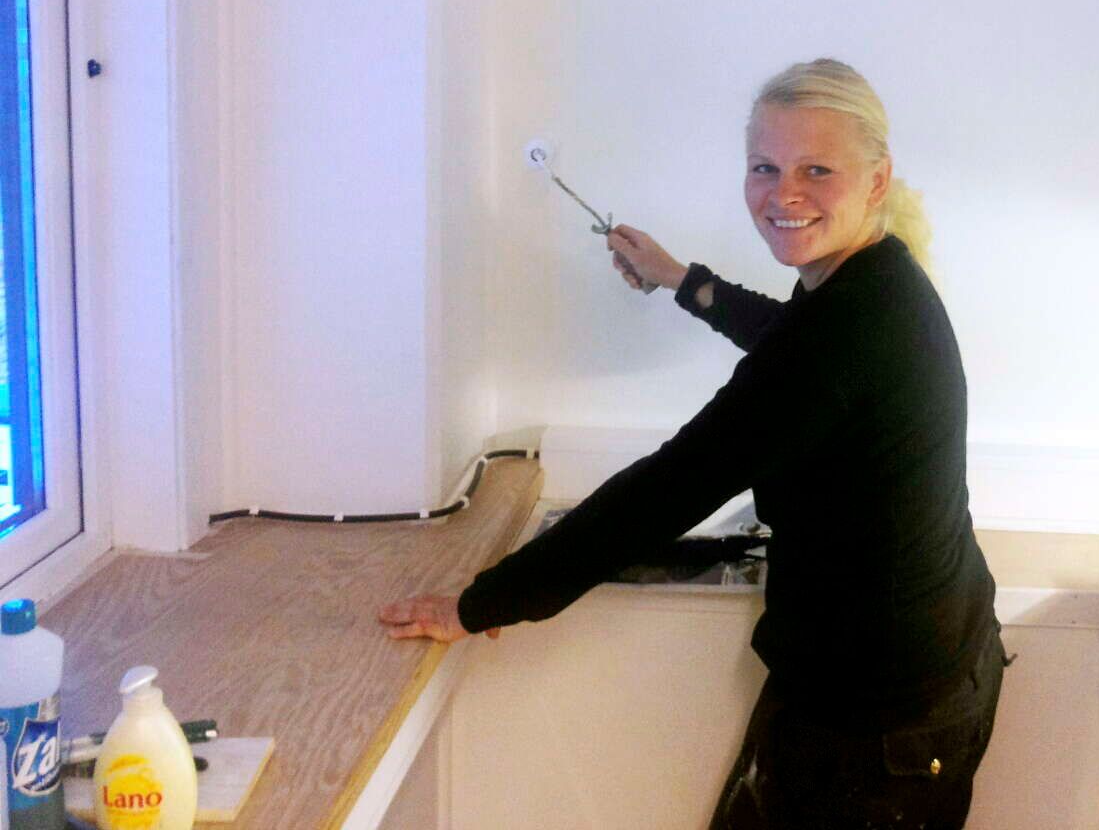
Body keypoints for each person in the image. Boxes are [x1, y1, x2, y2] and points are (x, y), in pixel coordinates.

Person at [379, 58, 1004, 829]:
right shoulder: (877, 282)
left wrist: (484, 603)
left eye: (817, 169)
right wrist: (682, 280)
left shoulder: (845, 329)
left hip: (882, 723)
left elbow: (669, 488)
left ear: (877, 180)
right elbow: (788, 336)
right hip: (921, 666)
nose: (784, 193)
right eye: (765, 167)